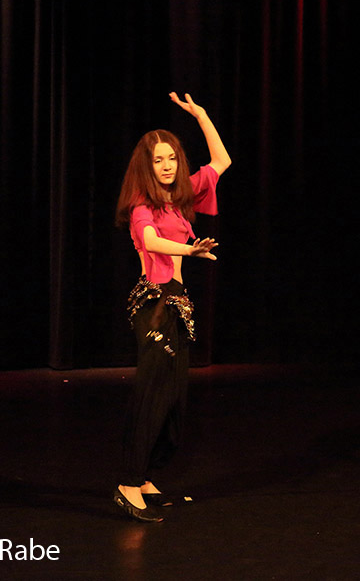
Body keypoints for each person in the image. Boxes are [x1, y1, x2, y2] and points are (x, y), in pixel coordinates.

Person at [112, 92, 231, 522]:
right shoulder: (142, 204)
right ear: (147, 166)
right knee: (153, 393)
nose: (167, 166)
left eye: (172, 158)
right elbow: (149, 241)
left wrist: (202, 115)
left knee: (173, 398)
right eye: (158, 160)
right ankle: (128, 483)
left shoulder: (178, 199)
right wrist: (189, 250)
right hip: (155, 305)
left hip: (177, 304)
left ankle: (145, 477)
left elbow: (221, 162)